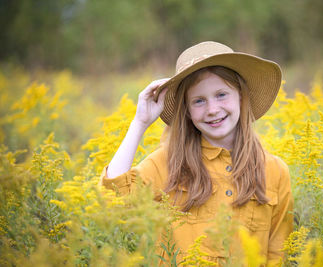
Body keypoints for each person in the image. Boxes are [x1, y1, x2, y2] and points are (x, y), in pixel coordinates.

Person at [100, 41, 293, 266]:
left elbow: (278, 254)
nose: (212, 109)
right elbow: (109, 204)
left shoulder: (275, 171)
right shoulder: (166, 163)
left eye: (221, 95)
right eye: (199, 101)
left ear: (241, 96)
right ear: (188, 112)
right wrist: (140, 123)